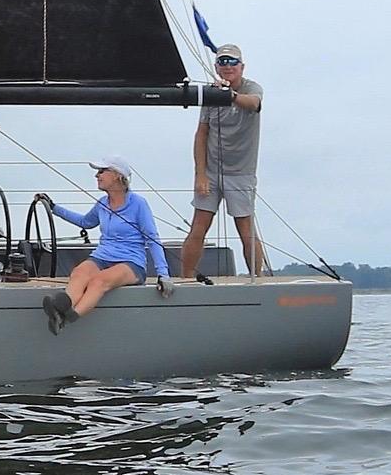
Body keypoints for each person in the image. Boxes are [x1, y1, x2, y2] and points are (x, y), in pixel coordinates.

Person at [43, 159, 172, 333]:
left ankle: (68, 317)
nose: (97, 175)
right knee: (79, 272)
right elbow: (85, 222)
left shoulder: (138, 204)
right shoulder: (102, 203)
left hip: (131, 262)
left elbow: (152, 238)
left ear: (118, 176)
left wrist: (163, 274)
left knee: (99, 281)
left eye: (102, 171)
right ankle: (61, 308)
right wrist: (54, 208)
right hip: (102, 256)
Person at [181, 43, 266, 278]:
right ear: (217, 67)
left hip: (241, 172)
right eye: (223, 62)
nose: (228, 67)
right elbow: (201, 134)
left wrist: (230, 95)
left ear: (242, 67)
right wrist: (200, 174)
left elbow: (254, 104)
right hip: (211, 171)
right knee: (199, 225)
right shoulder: (211, 93)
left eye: (233, 62)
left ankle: (256, 280)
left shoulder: (252, 88)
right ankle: (185, 280)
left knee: (246, 229)